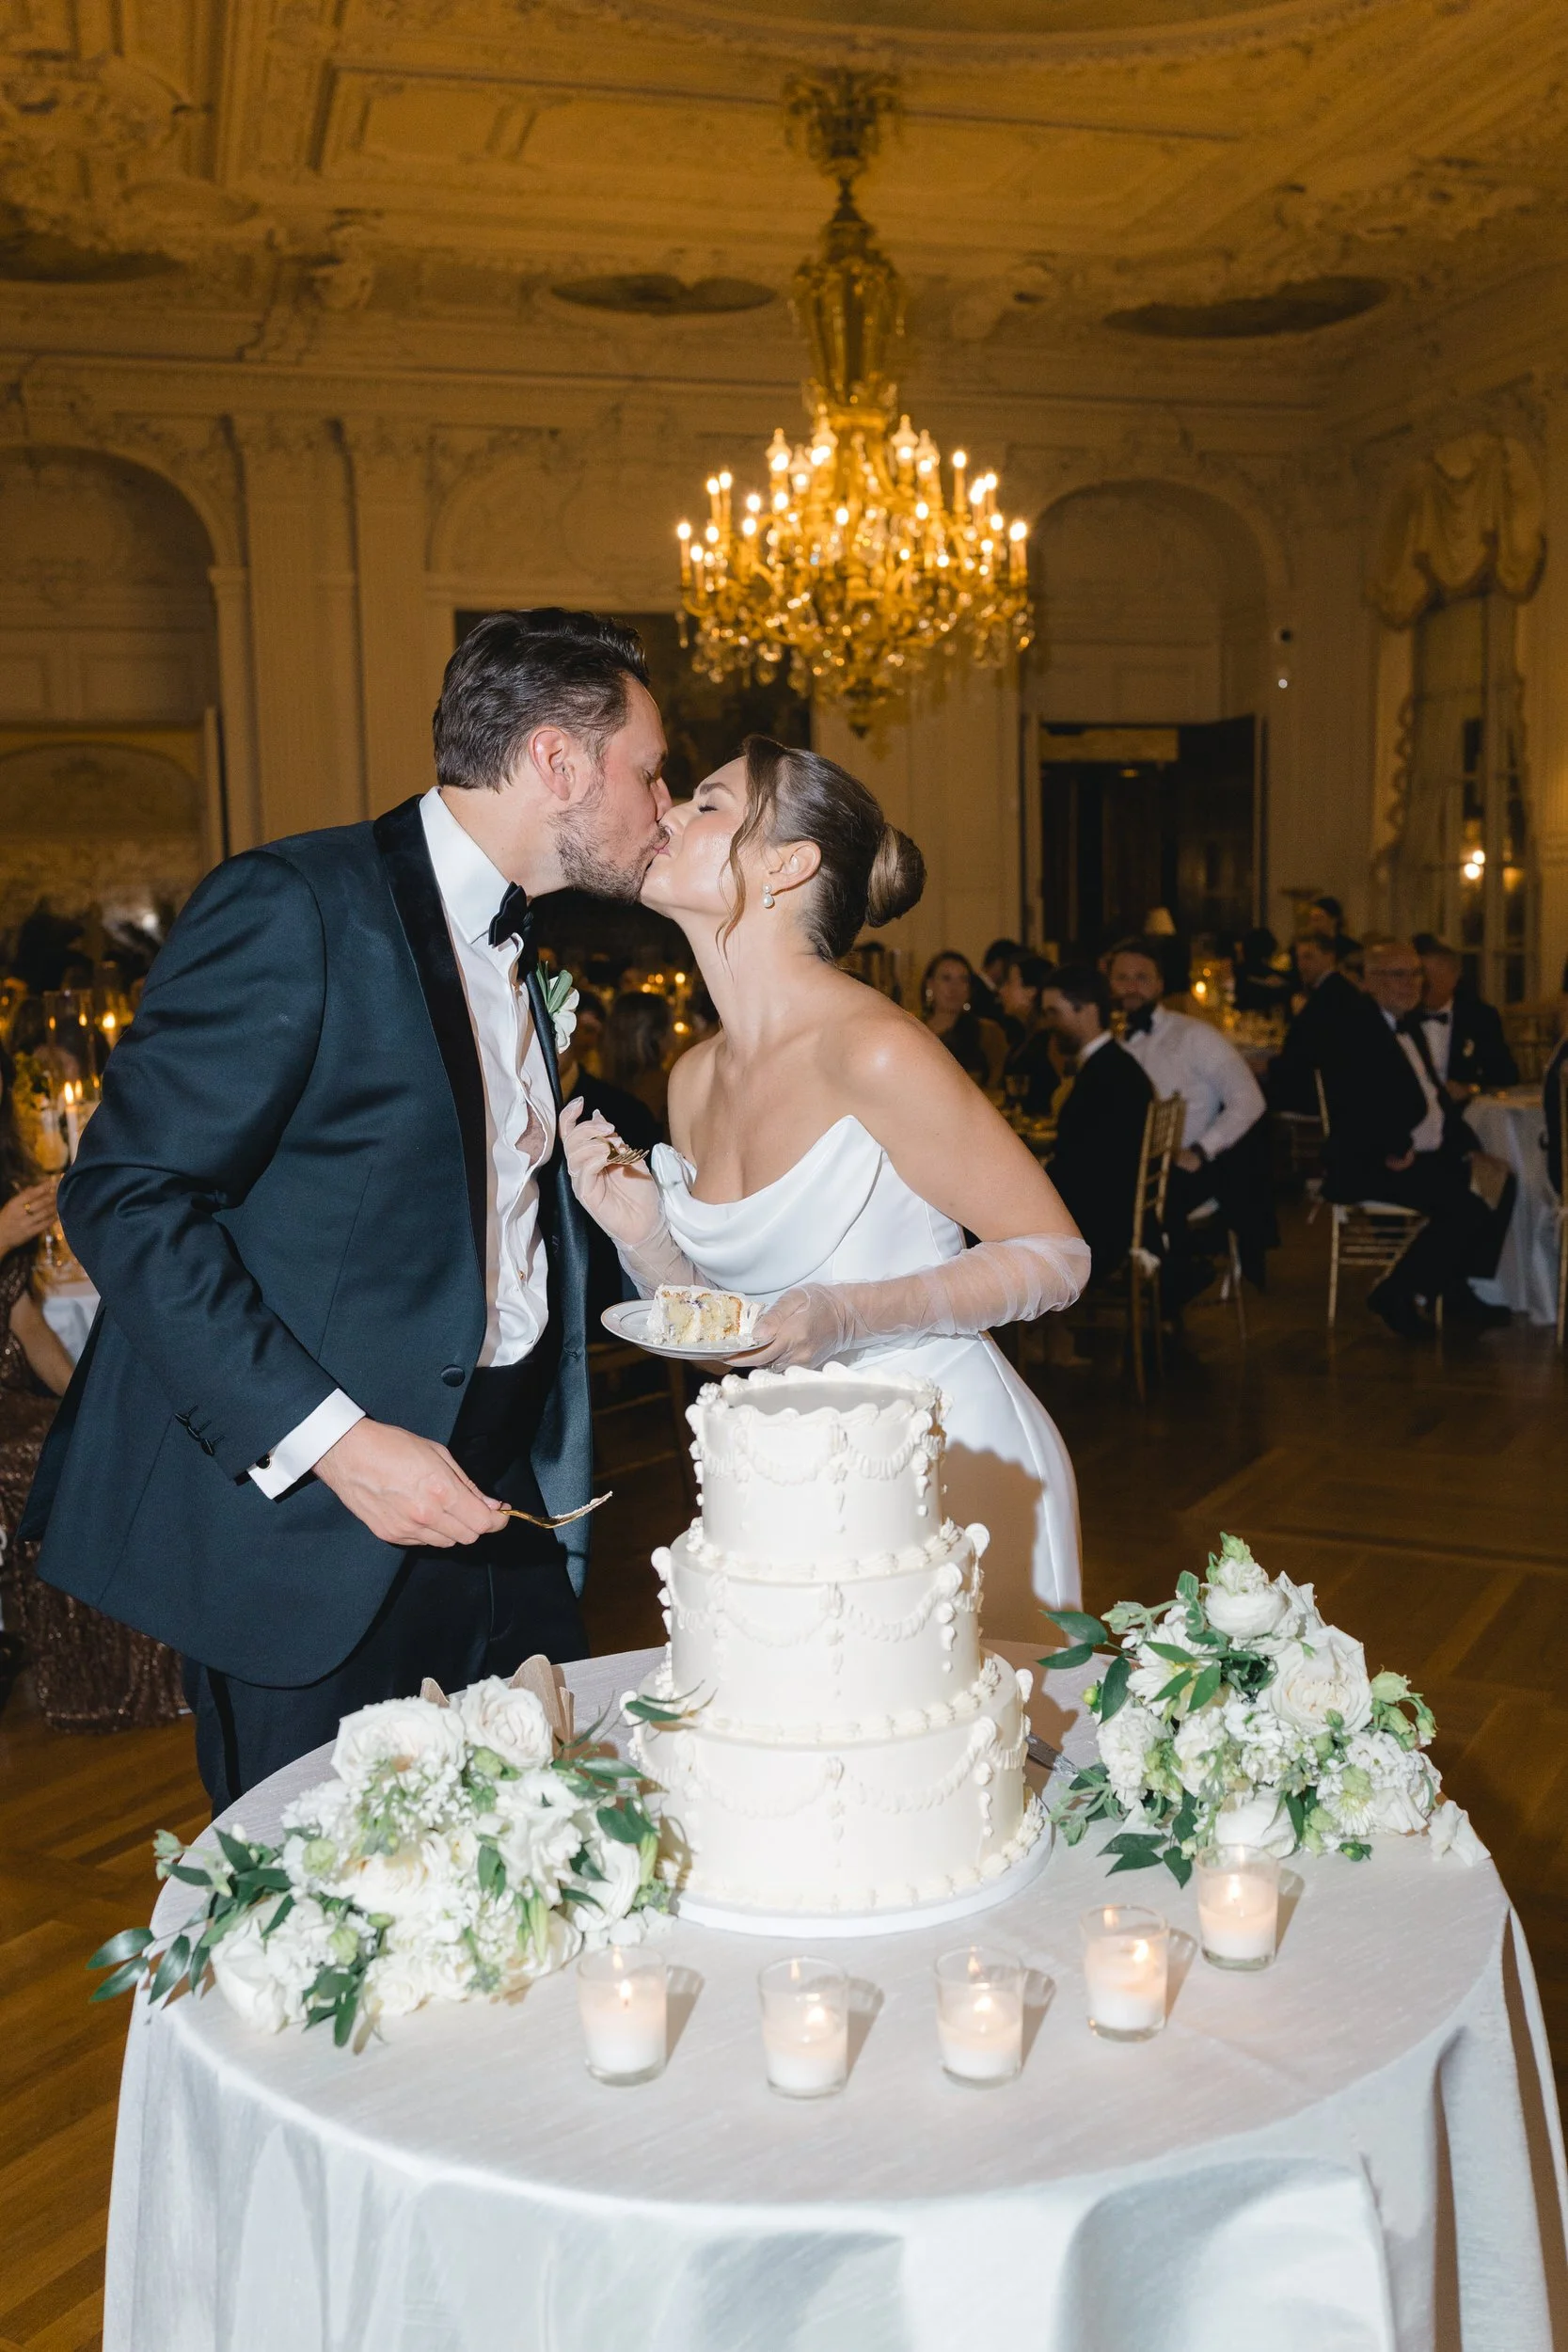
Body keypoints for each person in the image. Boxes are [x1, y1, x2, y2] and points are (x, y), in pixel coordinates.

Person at [24, 608, 672, 1808]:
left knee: (535, 1877)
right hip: (319, 1535)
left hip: (504, 1517)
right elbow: (126, 1194)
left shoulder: (523, 948)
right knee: (335, 1920)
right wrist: (341, 1444)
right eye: (648, 770)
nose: (664, 804)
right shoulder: (296, 904)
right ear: (555, 762)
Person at [560, 736, 1091, 1613]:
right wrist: (644, 1233)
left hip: (947, 1459)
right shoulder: (692, 1078)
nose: (667, 813)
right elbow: (737, 1343)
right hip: (788, 1477)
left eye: (708, 803)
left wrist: (851, 1314)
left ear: (787, 863)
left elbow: (1055, 1255)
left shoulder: (874, 1050)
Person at [0, 1043, 185, 1730]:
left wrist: (89, 1398)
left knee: (103, 1438)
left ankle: (160, 1673)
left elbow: (26, 1325)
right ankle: (91, 1683)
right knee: (47, 1467)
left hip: (13, 1388)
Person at [1325, 939, 1516, 1338]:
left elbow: (1435, 1101)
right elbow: (1355, 1101)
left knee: (1501, 1181)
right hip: (1376, 1161)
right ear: (1370, 981)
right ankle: (1396, 1292)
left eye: (1415, 974)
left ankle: (1455, 1286)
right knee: (1464, 1206)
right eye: (1398, 974)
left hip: (1428, 1153)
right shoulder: (1353, 1028)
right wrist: (1393, 1148)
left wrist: (1467, 1150)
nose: (1411, 983)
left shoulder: (1407, 1026)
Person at [1107, 937, 1273, 1290]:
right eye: (1122, 978)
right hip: (1128, 1166)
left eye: (1141, 978)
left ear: (1160, 984)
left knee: (1134, 1205)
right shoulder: (1110, 1042)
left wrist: (1201, 1150)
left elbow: (1250, 1099)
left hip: (1187, 1169)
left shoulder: (1194, 1036)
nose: (1131, 987)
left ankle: (1164, 1289)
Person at [1037, 968, 1152, 1286]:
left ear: (1088, 1011)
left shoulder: (1104, 1078)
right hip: (1111, 1213)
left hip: (1097, 1231)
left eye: (1054, 1013)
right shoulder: (1115, 1065)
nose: (1049, 1024)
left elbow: (1078, 1169)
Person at [1413, 937, 1519, 1096]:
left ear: (1454, 977)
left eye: (1432, 979)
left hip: (1465, 1112)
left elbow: (1505, 1075)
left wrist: (1470, 1088)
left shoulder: (1479, 1017)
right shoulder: (1403, 1017)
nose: (1423, 985)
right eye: (1420, 978)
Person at [922, 951, 1007, 1092]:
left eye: (963, 979)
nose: (954, 988)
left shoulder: (988, 1032)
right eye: (946, 978)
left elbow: (996, 1085)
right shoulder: (913, 1030)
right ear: (930, 984)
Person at [603, 988, 673, 1136]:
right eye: (670, 1028)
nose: (675, 1037)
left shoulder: (597, 1085)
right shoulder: (665, 1087)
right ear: (655, 1037)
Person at [996, 952, 1060, 1115]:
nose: (1002, 991)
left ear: (1032, 992)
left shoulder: (1053, 1043)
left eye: (1009, 983)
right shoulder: (1022, 1038)